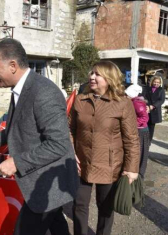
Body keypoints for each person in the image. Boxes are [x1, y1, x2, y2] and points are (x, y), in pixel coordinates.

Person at [0, 38, 78, 235]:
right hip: (39, 183)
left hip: (48, 186)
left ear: (12, 66)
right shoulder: (19, 90)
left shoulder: (43, 92)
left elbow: (59, 144)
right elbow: (15, 129)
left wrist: (16, 163)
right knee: (58, 229)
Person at [70, 61, 140, 235]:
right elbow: (69, 130)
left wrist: (131, 169)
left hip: (109, 164)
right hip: (81, 162)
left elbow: (131, 139)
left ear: (109, 78)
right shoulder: (80, 100)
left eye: (97, 74)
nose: (92, 77)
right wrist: (70, 152)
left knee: (105, 208)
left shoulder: (122, 103)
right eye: (91, 73)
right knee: (79, 204)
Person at [126, 84, 150, 178]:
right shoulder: (133, 101)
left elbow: (144, 117)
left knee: (140, 153)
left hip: (141, 131)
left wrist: (132, 124)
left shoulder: (136, 103)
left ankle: (139, 174)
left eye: (126, 94)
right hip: (139, 129)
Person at [145, 75, 166, 141]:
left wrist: (153, 106)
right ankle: (144, 140)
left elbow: (161, 100)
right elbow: (144, 97)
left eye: (158, 82)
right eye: (155, 82)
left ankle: (149, 141)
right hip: (147, 109)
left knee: (151, 126)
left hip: (155, 110)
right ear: (152, 82)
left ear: (160, 83)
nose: (156, 83)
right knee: (145, 125)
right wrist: (147, 105)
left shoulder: (161, 90)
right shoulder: (147, 89)